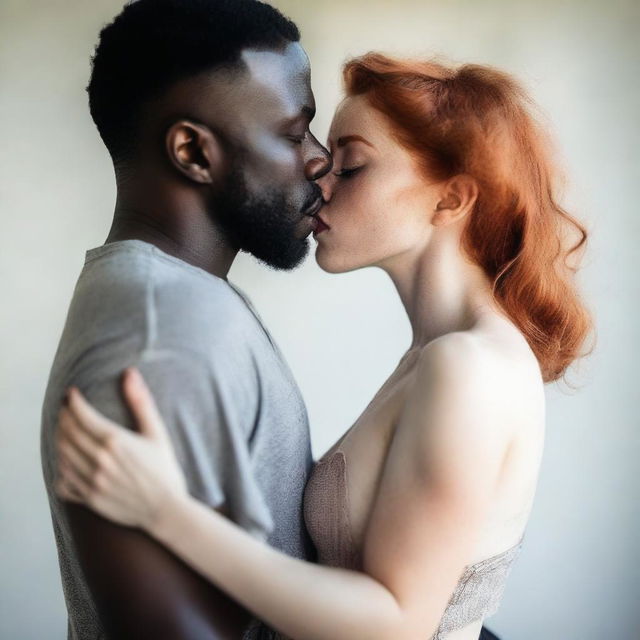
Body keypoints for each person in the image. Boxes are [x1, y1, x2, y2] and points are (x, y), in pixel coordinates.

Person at [54, 50, 593, 640]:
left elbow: (397, 624)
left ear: (450, 199)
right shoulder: (436, 352)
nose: (319, 180)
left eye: (352, 166)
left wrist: (167, 513)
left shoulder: (468, 366)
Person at [40, 1, 333, 638]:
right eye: (292, 132)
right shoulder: (165, 333)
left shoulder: (180, 301)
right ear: (192, 152)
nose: (320, 158)